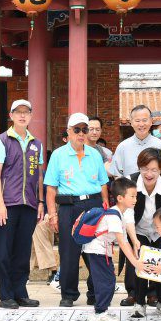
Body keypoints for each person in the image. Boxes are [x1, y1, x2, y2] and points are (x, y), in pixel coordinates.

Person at [110, 104, 161, 305]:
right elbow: (116, 174)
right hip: (132, 204)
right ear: (131, 122)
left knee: (157, 250)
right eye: (137, 120)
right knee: (134, 249)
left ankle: (154, 292)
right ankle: (133, 293)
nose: (141, 124)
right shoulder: (123, 146)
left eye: (145, 119)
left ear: (151, 121)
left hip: (157, 201)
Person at [45, 112, 109, 307]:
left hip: (93, 205)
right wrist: (52, 214)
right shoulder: (58, 155)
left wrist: (105, 205)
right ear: (69, 132)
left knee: (95, 250)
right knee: (69, 252)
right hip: (68, 207)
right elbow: (50, 188)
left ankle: (95, 291)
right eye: (77, 130)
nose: (81, 134)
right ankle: (68, 293)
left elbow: (103, 183)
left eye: (84, 130)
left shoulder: (95, 154)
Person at [0, 99, 44, 309]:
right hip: (7, 204)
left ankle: (20, 292)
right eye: (18, 112)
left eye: (26, 112)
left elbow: (38, 175)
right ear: (11, 116)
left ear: (31, 116)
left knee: (23, 251)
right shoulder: (2, 141)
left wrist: (40, 201)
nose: (22, 115)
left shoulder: (36, 143)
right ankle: (6, 295)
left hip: (29, 204)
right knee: (4, 251)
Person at [83, 177, 144, 321]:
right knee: (106, 282)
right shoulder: (113, 215)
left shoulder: (123, 212)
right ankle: (99, 313)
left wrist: (135, 242)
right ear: (120, 198)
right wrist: (135, 262)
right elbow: (122, 243)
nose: (135, 199)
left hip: (102, 251)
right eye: (132, 196)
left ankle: (101, 310)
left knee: (108, 280)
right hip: (97, 251)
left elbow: (126, 238)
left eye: (136, 196)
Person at [128, 147, 161, 317]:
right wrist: (134, 240)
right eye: (145, 169)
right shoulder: (131, 182)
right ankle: (139, 303)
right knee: (141, 264)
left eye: (154, 170)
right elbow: (127, 215)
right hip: (138, 230)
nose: (149, 174)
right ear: (139, 167)